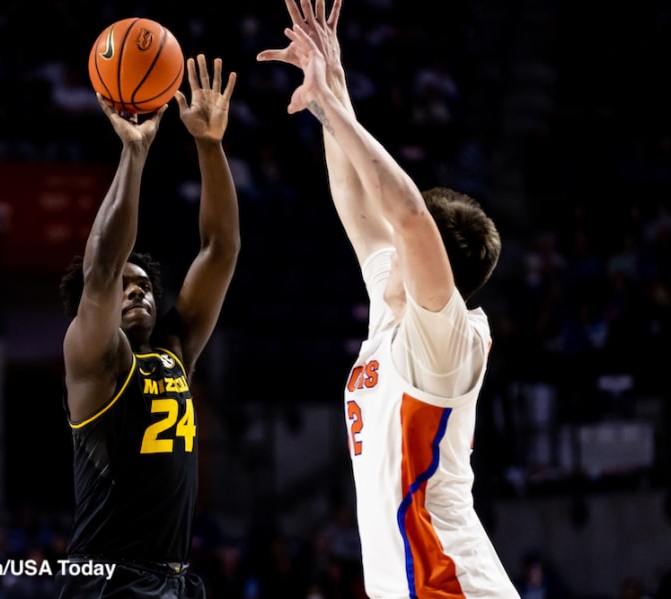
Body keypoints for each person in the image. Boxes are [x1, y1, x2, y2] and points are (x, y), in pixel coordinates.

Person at [257, 1, 519, 597]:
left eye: (409, 242)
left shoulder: (445, 335)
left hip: (451, 584)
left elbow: (406, 213)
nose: (389, 240)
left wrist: (342, 114)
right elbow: (355, 201)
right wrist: (330, 94)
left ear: (432, 260)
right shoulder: (394, 308)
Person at [55, 54, 239, 599]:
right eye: (126, 287)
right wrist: (134, 152)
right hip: (109, 578)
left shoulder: (175, 348)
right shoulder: (95, 361)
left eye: (147, 287)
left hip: (175, 579)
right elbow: (103, 267)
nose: (137, 290)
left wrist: (209, 144)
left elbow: (220, 249)